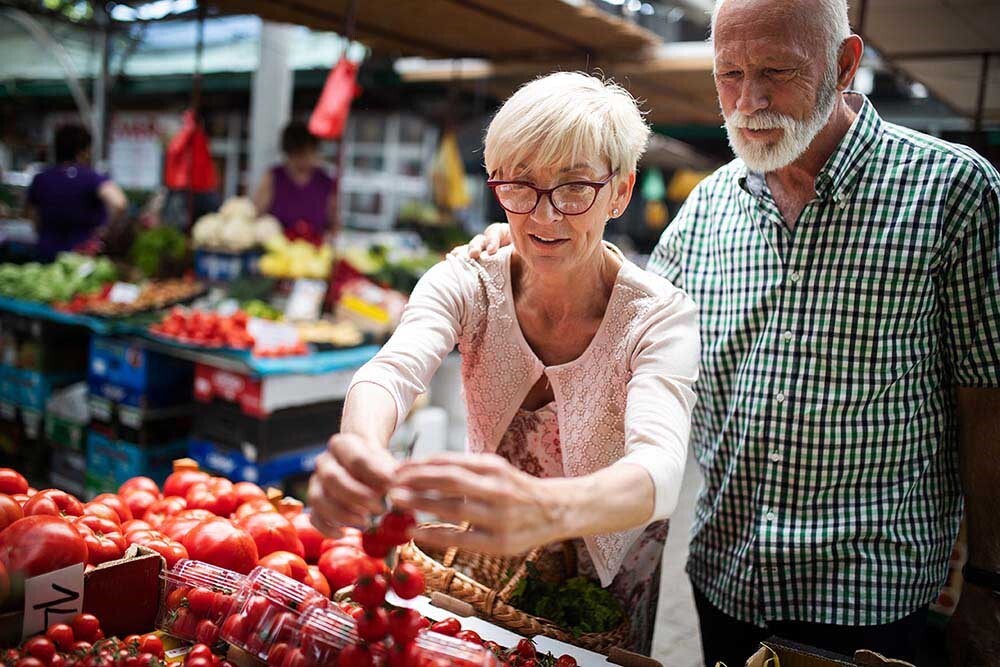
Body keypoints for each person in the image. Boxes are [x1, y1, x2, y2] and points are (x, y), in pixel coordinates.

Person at [463, 1, 1000, 664]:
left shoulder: (953, 193)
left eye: (776, 71)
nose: (750, 99)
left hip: (870, 599)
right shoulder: (707, 211)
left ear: (845, 64)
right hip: (725, 584)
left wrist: (990, 585)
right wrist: (528, 266)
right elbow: (617, 357)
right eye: (730, 74)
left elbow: (987, 398)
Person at [307, 72, 700, 653]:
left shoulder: (659, 317)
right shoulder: (468, 282)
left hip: (611, 570)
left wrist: (548, 509)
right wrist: (361, 451)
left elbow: (660, 471)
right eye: (521, 186)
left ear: (620, 193)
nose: (544, 217)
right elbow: (391, 371)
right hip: (491, 550)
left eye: (574, 189)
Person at [26, 124, 127, 261]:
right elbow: (119, 203)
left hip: (47, 253)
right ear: (83, 151)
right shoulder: (91, 178)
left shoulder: (41, 179)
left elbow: (32, 215)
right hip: (82, 255)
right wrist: (105, 231)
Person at [252, 121, 336, 242]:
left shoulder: (325, 182)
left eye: (310, 153)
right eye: (299, 154)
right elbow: (256, 215)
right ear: (289, 153)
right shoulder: (273, 177)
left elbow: (333, 223)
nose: (305, 159)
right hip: (278, 252)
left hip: (315, 253)